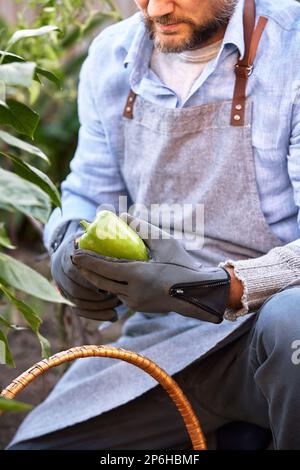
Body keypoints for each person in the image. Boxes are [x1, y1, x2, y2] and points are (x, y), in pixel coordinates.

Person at [8, 0, 300, 450]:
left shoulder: (292, 47)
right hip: (164, 339)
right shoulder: (112, 56)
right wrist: (69, 242)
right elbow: (88, 190)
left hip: (270, 337)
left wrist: (220, 287)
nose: (157, 8)